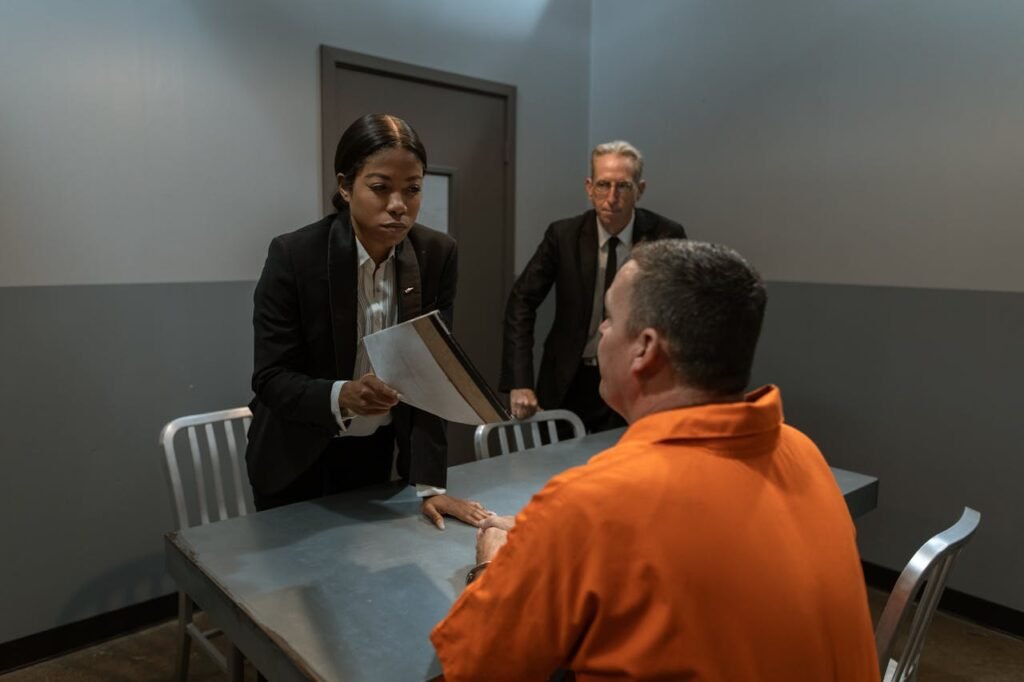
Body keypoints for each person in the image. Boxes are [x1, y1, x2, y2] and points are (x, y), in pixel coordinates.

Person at [431, 241, 879, 680]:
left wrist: (493, 566)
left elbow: (476, 669)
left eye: (608, 317)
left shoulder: (593, 503)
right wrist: (548, 539)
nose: (602, 331)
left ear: (645, 349)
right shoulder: (800, 449)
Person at [245, 113, 490, 530]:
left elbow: (429, 374)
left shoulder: (436, 254)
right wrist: (342, 395)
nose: (398, 205)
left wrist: (430, 484)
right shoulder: (295, 255)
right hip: (294, 453)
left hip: (373, 453)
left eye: (412, 190)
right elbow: (270, 377)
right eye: (380, 188)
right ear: (345, 186)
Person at [500, 141, 687, 433]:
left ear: (640, 189)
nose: (612, 197)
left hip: (634, 378)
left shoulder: (665, 235)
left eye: (623, 186)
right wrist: (519, 380)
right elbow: (521, 300)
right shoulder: (563, 235)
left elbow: (679, 312)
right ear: (589, 188)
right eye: (603, 185)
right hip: (568, 378)